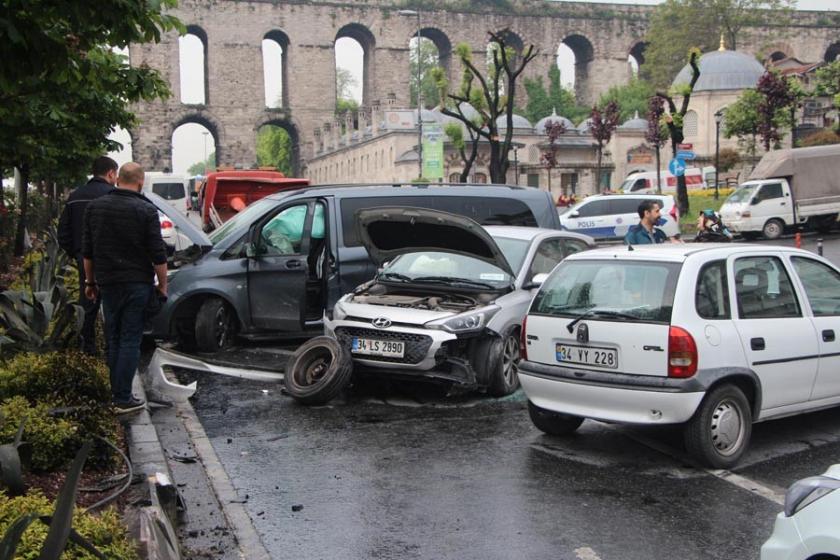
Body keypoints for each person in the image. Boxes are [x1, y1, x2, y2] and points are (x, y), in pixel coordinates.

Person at [82, 162, 168, 413]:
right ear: (140, 182)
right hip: (137, 283)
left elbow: (88, 251)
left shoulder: (95, 207)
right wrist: (163, 285)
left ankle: (115, 393)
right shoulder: (145, 209)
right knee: (130, 338)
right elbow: (158, 255)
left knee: (114, 337)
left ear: (117, 179)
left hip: (107, 282)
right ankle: (122, 398)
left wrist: (90, 282)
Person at [58, 156, 118, 355]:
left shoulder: (75, 196)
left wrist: (76, 253)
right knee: (112, 306)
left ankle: (88, 349)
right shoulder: (115, 195)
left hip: (85, 259)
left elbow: (63, 233)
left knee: (88, 306)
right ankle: (112, 350)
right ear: (110, 173)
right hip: (112, 260)